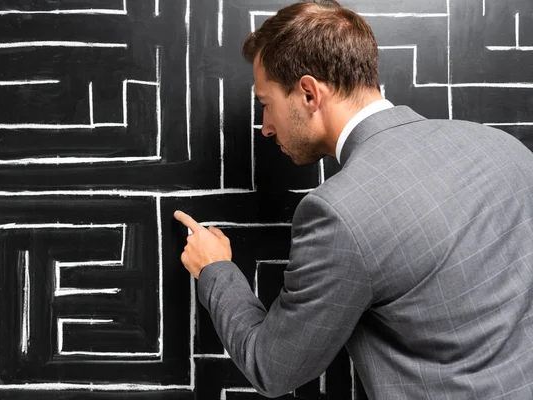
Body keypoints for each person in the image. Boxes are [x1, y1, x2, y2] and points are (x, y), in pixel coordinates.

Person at [174, 1, 533, 398]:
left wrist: (215, 270)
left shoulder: (338, 213)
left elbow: (273, 368)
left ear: (309, 93)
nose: (266, 127)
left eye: (266, 104)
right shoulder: (505, 148)